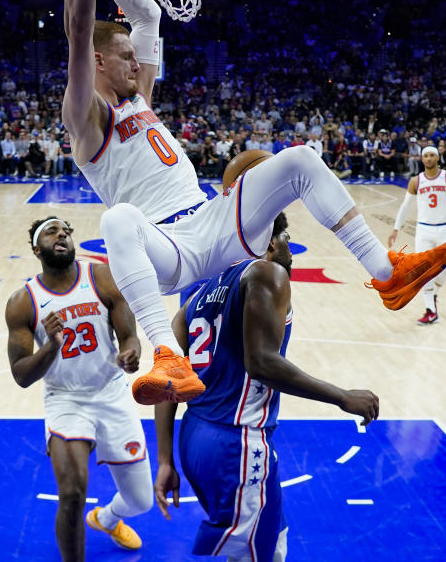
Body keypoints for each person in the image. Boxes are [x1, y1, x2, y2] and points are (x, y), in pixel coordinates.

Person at [61, 0, 446, 405]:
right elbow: (79, 30)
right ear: (97, 62)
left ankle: (387, 274)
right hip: (166, 248)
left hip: (211, 219)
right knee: (117, 218)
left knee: (301, 159)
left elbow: (148, 16)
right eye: (126, 58)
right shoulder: (87, 118)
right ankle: (168, 353)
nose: (138, 64)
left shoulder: (139, 95)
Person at [152, 213, 379, 561]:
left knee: (273, 540)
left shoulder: (196, 297)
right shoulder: (266, 272)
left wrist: (166, 459)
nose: (291, 247)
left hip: (196, 437)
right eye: (287, 235)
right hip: (236, 440)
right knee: (257, 554)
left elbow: (168, 380)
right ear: (271, 241)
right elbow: (261, 363)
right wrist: (342, 397)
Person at [5, 217, 153, 562]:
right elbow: (21, 375)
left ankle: (105, 519)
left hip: (111, 392)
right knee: (71, 493)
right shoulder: (23, 302)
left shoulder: (100, 276)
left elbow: (129, 335)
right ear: (36, 248)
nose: (62, 235)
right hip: (65, 400)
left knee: (141, 500)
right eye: (52, 231)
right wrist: (50, 347)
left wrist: (130, 353)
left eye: (66, 231)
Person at [388, 146, 446, 324]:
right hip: (423, 230)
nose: (428, 158)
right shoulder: (416, 181)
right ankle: (430, 310)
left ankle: (434, 295)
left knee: (445, 269)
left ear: (437, 158)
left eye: (431, 155)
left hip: (445, 229)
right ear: (421, 159)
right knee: (424, 270)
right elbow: (405, 206)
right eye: (425, 156)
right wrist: (395, 229)